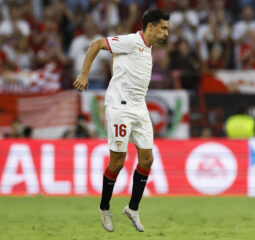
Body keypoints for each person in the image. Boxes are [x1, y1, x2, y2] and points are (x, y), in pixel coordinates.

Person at [72, 8, 169, 232]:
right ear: (151, 26)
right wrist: (84, 73)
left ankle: (132, 208)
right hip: (120, 107)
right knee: (118, 162)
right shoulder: (131, 41)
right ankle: (104, 207)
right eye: (163, 28)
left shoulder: (147, 47)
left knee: (147, 159)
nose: (166, 33)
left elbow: (120, 60)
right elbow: (96, 44)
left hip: (140, 108)